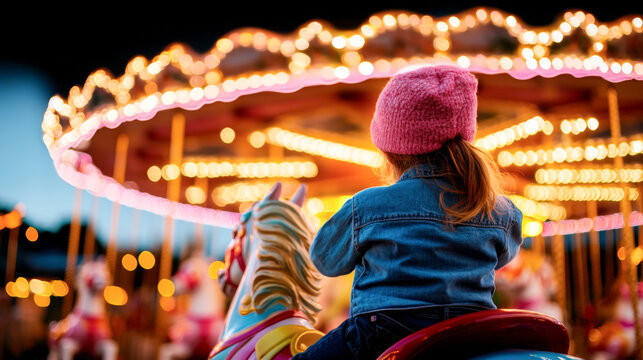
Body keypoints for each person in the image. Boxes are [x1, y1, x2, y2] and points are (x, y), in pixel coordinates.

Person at [292, 64, 524, 359]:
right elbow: (504, 258)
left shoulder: (367, 206)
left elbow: (324, 259)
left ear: (390, 148)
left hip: (383, 334)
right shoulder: (501, 210)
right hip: (472, 332)